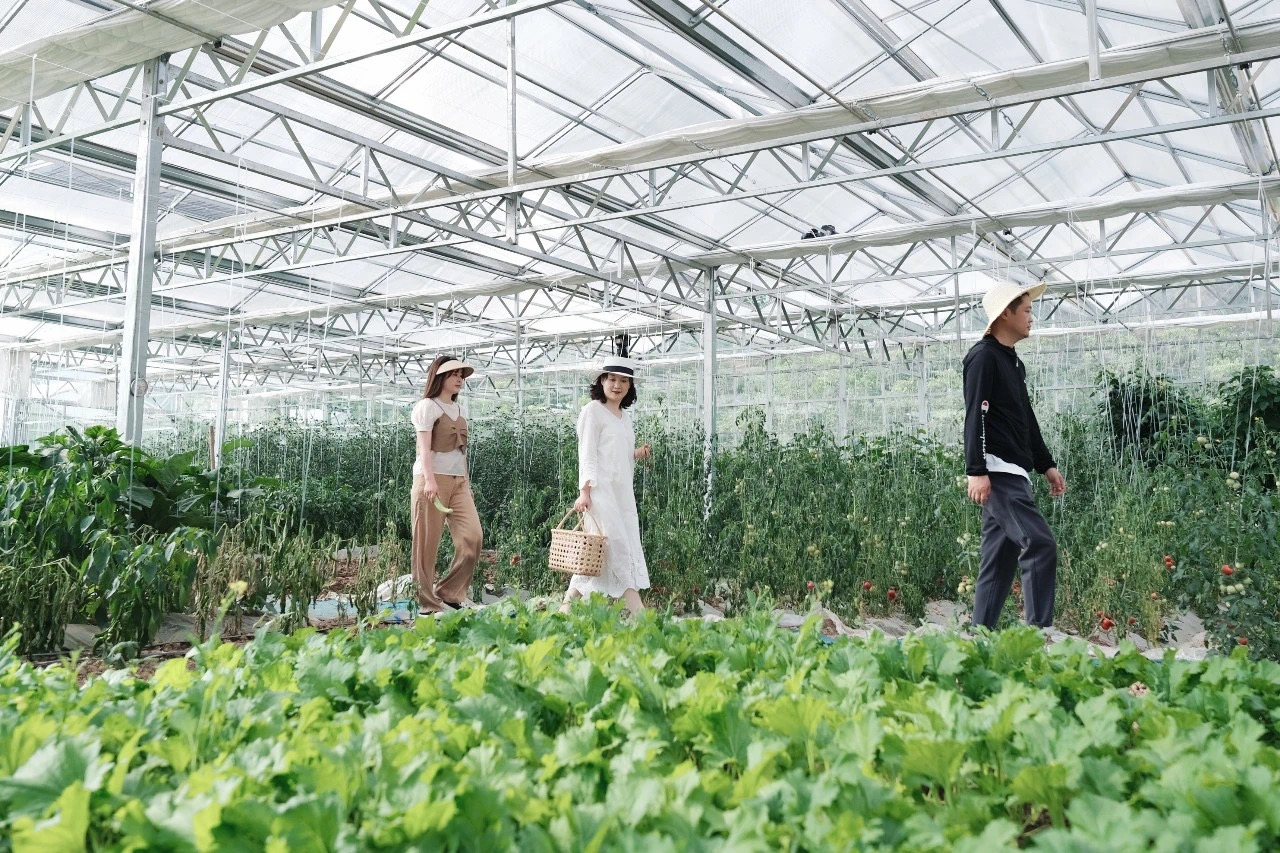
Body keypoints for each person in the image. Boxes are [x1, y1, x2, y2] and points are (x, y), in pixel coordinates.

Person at [963, 282, 1067, 630]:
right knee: (1039, 545)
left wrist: (1046, 464)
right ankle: (1039, 635)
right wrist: (976, 469)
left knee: (998, 563)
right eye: (1026, 311)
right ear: (1005, 313)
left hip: (1014, 472)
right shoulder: (983, 357)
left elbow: (1026, 417)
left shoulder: (1012, 362)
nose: (1031, 318)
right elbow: (975, 413)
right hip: (998, 472)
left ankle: (981, 638)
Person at [560, 339, 651, 616]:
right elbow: (587, 453)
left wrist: (636, 453)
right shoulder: (592, 412)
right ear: (601, 381)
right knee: (617, 548)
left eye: (624, 381)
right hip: (599, 494)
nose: (617, 385)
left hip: (622, 494)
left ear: (630, 387)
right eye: (612, 379)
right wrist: (585, 491)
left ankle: (565, 609)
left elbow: (617, 454)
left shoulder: (624, 417)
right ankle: (640, 615)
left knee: (596, 555)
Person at [410, 354, 482, 617]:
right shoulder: (427, 406)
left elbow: (461, 452)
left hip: (458, 482)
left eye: (461, 375)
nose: (459, 379)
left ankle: (450, 593)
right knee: (426, 545)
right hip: (432, 479)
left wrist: (466, 481)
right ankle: (427, 605)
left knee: (472, 538)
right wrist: (429, 481)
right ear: (440, 377)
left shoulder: (460, 410)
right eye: (454, 375)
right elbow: (424, 449)